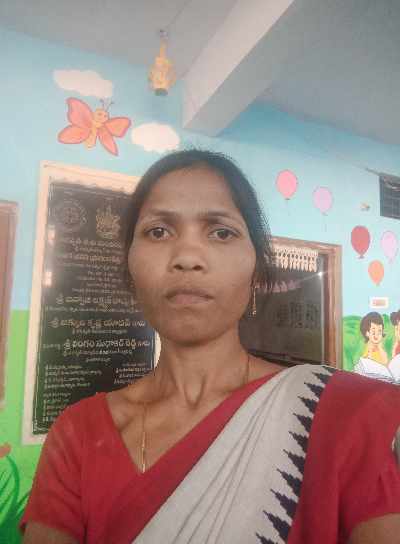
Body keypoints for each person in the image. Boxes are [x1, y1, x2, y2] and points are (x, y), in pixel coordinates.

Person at [22, 150, 400, 544]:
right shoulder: (79, 436)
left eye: (221, 232)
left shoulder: (345, 417)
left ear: (256, 268)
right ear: (129, 266)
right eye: (158, 232)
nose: (187, 258)